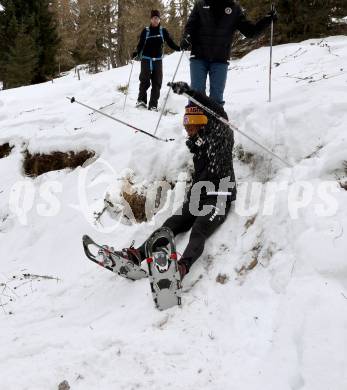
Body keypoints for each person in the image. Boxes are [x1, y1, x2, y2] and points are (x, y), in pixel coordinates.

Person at [118, 82, 237, 280]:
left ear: (202, 123)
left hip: (220, 197)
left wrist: (191, 92)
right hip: (199, 195)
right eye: (186, 126)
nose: (188, 130)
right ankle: (138, 254)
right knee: (171, 224)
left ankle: (182, 267)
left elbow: (218, 112)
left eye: (192, 126)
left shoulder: (221, 135)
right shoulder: (197, 145)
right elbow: (201, 172)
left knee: (199, 230)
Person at [180, 0, 278, 105]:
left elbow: (250, 32)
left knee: (216, 96)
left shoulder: (234, 8)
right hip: (199, 57)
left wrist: (267, 20)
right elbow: (190, 26)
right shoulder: (201, 4)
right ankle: (195, 119)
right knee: (196, 93)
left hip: (220, 58)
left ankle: (214, 120)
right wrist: (186, 38)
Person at [133, 10, 181, 111]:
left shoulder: (163, 31)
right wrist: (136, 53)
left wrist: (178, 48)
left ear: (159, 20)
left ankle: (153, 105)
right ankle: (141, 100)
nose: (155, 20)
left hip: (158, 60)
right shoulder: (146, 31)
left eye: (157, 18)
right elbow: (140, 44)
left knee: (157, 82)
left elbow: (170, 42)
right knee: (144, 80)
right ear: (151, 19)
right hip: (146, 59)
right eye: (154, 18)